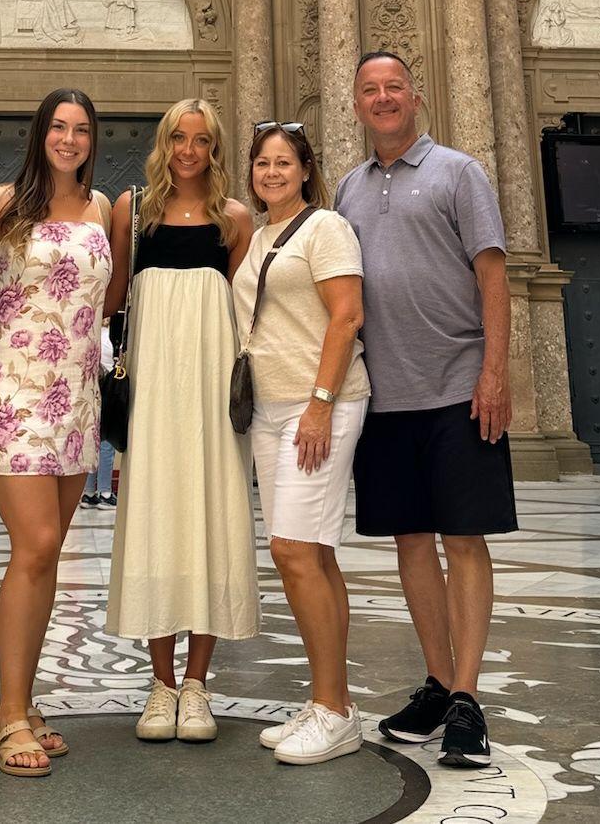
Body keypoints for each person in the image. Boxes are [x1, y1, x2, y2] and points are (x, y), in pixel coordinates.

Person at [334, 51, 516, 770]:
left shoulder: (458, 172)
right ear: (356, 105)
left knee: (464, 540)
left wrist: (495, 372)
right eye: (370, 91)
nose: (383, 99)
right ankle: (438, 682)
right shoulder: (347, 188)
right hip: (385, 396)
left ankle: (468, 697)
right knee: (411, 542)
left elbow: (492, 274)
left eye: (393, 88)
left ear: (416, 97)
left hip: (458, 386)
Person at [104, 99, 256, 744]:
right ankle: (160, 684)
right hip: (154, 384)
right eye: (177, 138)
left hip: (211, 386)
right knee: (155, 516)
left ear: (215, 148)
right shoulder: (130, 210)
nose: (188, 151)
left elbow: (247, 307)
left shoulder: (236, 218)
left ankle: (197, 685)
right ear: (162, 143)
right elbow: (114, 299)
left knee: (212, 514)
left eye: (200, 140)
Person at [0, 89, 113, 777]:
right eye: (58, 127)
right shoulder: (3, 203)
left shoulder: (103, 208)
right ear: (39, 134)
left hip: (76, 397)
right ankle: (8, 718)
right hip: (15, 394)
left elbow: (105, 302)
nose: (68, 138)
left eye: (81, 129)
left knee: (49, 554)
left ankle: (26, 703)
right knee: (33, 545)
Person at [237, 122, 369, 765]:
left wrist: (320, 404)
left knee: (292, 550)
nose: (271, 173)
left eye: (283, 162)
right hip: (269, 406)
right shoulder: (260, 235)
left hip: (322, 404)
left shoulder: (326, 228)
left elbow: (347, 315)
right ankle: (329, 702)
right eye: (261, 163)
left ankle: (335, 710)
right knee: (313, 552)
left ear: (306, 168)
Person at [81, 321, 119, 507]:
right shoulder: (110, 339)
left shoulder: (92, 334)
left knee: (91, 441)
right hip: (109, 391)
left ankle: (88, 492)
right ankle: (104, 491)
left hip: (90, 391)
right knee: (106, 443)